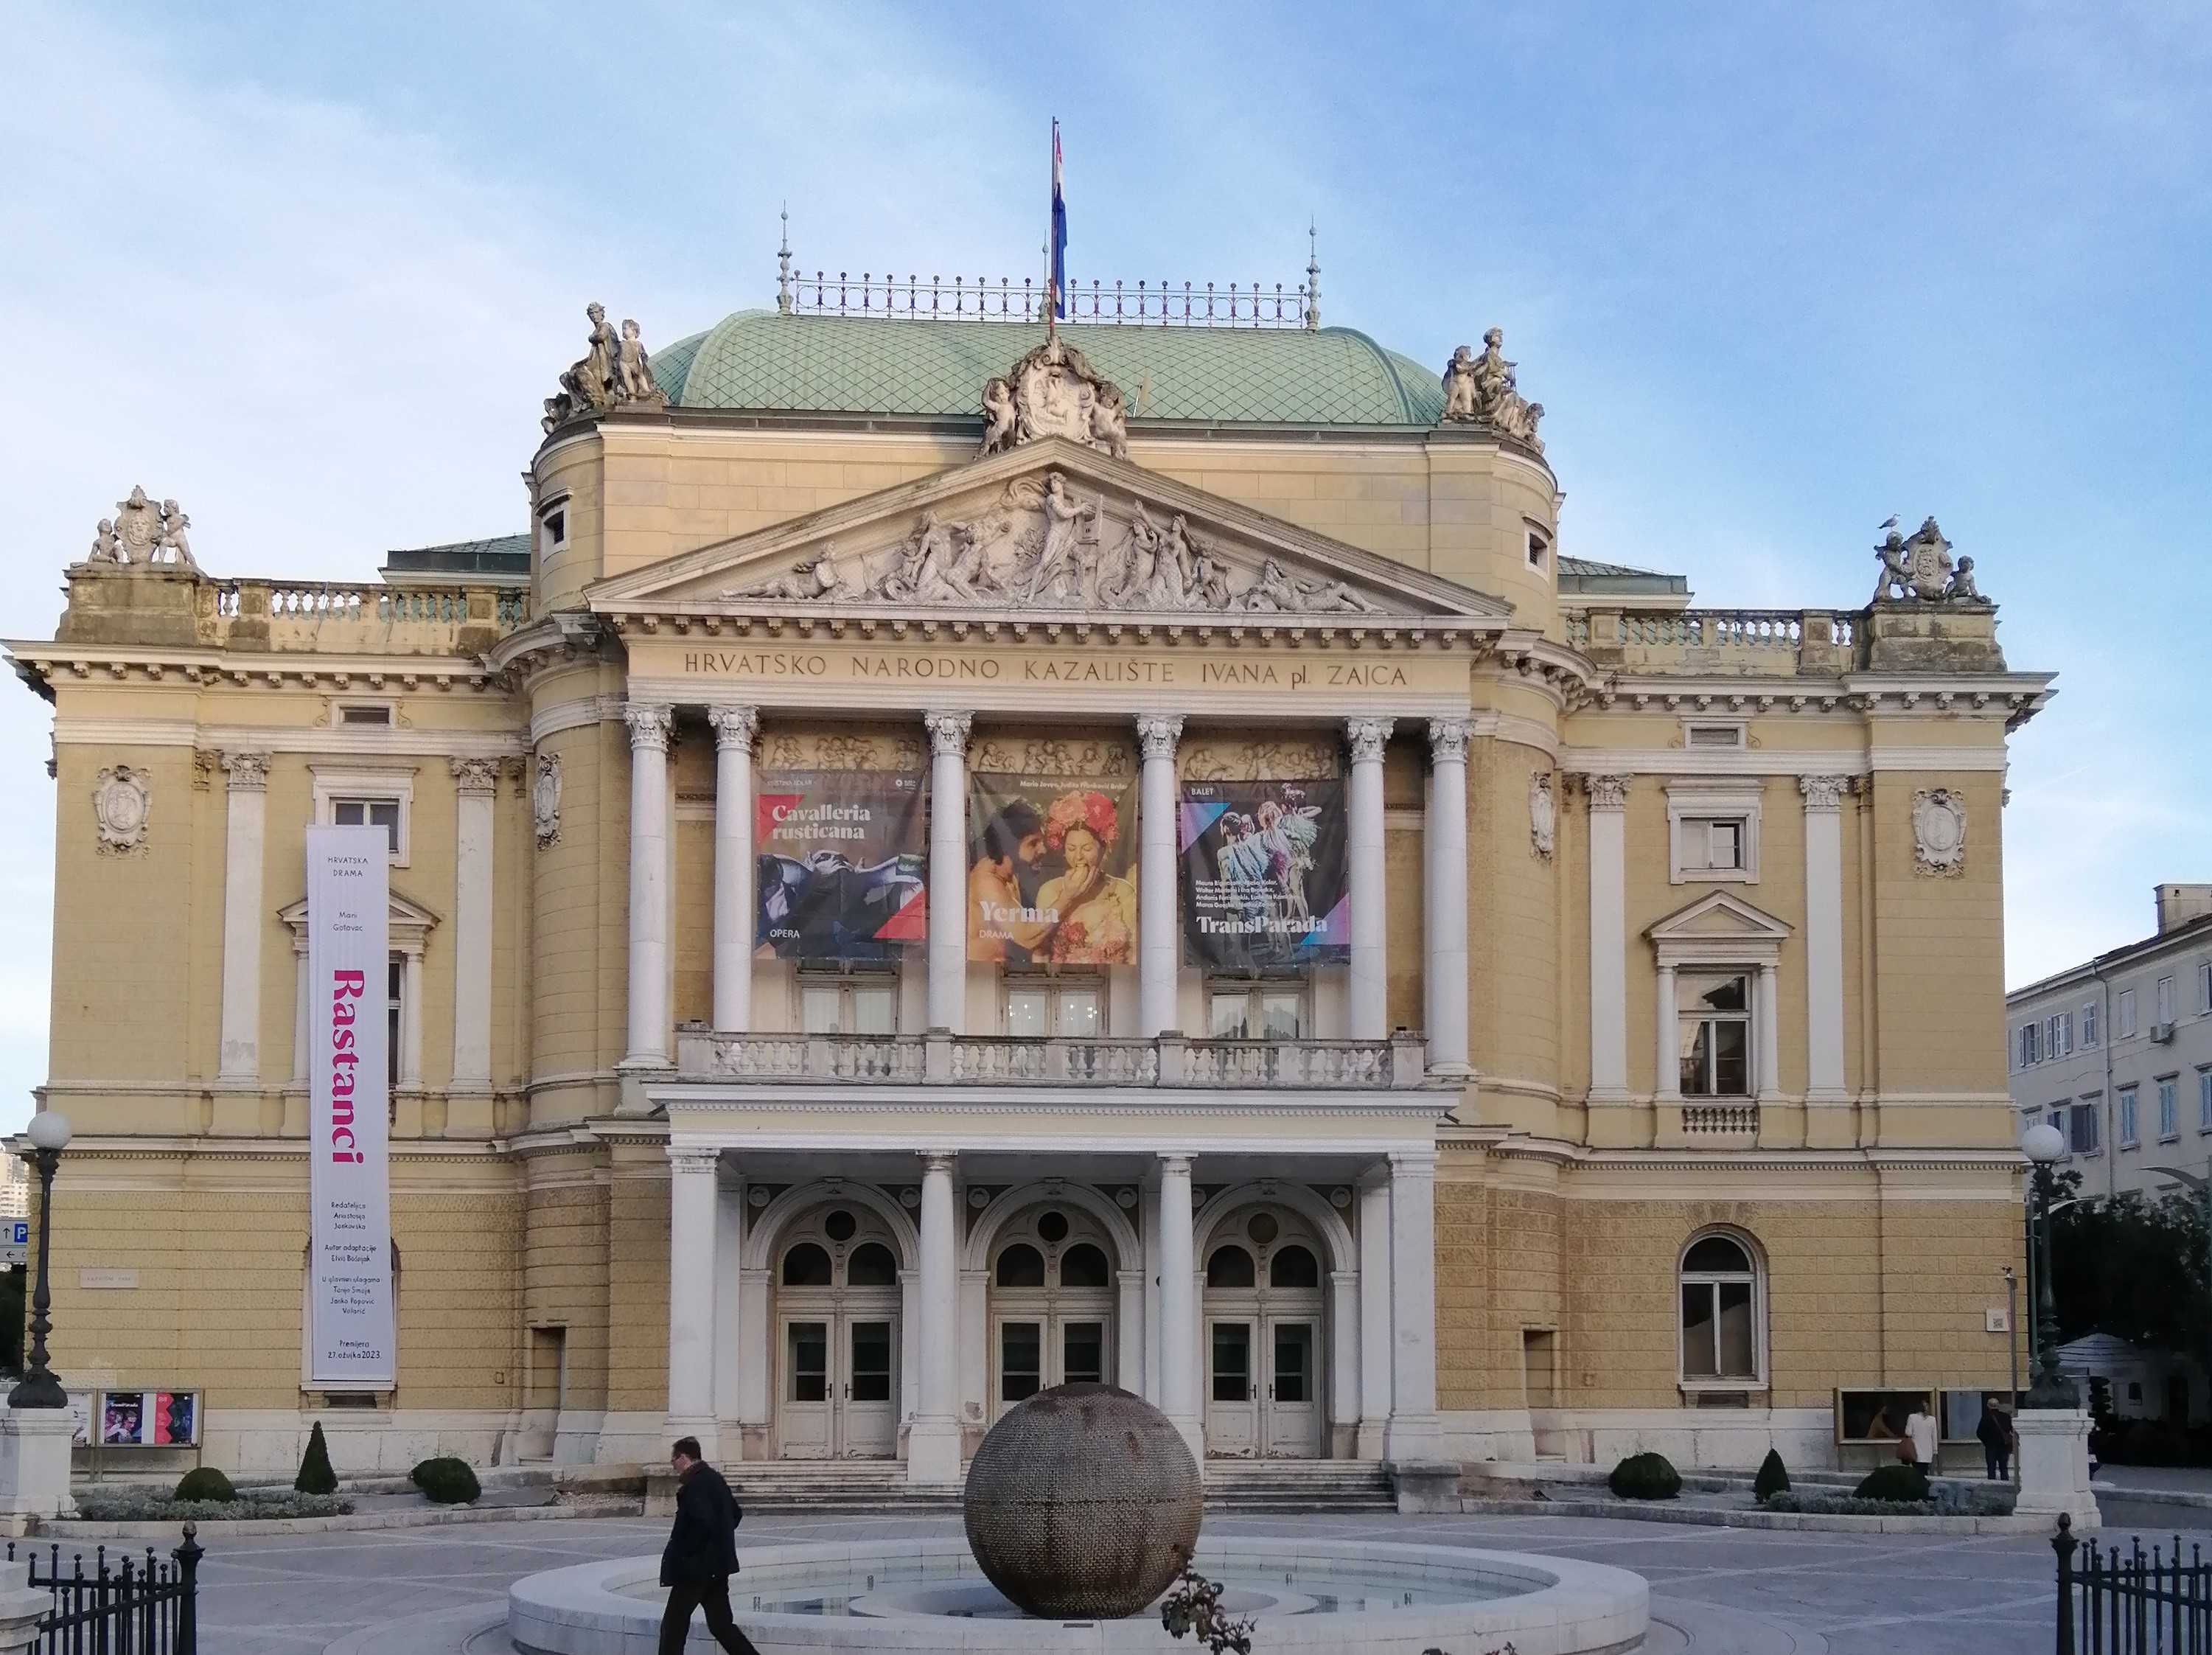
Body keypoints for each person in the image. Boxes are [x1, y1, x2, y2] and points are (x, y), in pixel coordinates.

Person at [657, 1435, 758, 1655]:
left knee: (673, 1626)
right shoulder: (714, 1479)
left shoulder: (696, 1485)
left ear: (683, 1457)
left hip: (696, 1570)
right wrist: (719, 1542)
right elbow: (735, 1514)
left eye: (673, 1460)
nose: (673, 1466)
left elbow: (701, 1525)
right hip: (717, 1567)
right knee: (721, 1626)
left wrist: (687, 1555)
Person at [1976, 1396, 2014, 1480]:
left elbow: (1979, 1433)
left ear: (1988, 1406)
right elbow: (2011, 1430)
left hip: (1991, 1447)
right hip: (2004, 1446)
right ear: (1998, 1406)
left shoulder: (1986, 1418)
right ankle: (2005, 1485)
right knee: (2004, 1468)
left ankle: (1992, 1486)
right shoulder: (2006, 1417)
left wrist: (1986, 1442)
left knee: (1991, 1468)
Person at [1903, 1402, 1939, 1485]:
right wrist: (1935, 1451)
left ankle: (1917, 1489)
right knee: (1925, 1472)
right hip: (1928, 1452)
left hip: (1915, 1451)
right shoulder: (1932, 1419)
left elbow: (1908, 1433)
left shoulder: (1912, 1417)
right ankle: (1924, 1488)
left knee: (1916, 1472)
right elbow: (1934, 1436)